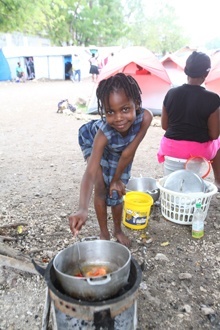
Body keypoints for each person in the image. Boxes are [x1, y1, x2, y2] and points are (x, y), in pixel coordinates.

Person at [69, 73, 153, 246]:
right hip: (91, 139)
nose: (119, 118)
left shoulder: (145, 118)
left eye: (124, 109)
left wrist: (116, 180)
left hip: (121, 150)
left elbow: (129, 152)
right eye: (110, 112)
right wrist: (82, 209)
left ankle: (117, 231)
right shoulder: (103, 134)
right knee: (100, 186)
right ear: (103, 112)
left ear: (136, 104)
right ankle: (104, 234)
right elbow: (90, 173)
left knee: (116, 192)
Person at [157, 51, 220, 191]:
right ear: (206, 74)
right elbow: (214, 134)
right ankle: (218, 181)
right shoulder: (213, 99)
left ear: (186, 70)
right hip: (198, 151)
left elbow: (164, 125)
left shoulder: (171, 93)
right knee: (218, 142)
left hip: (171, 147)